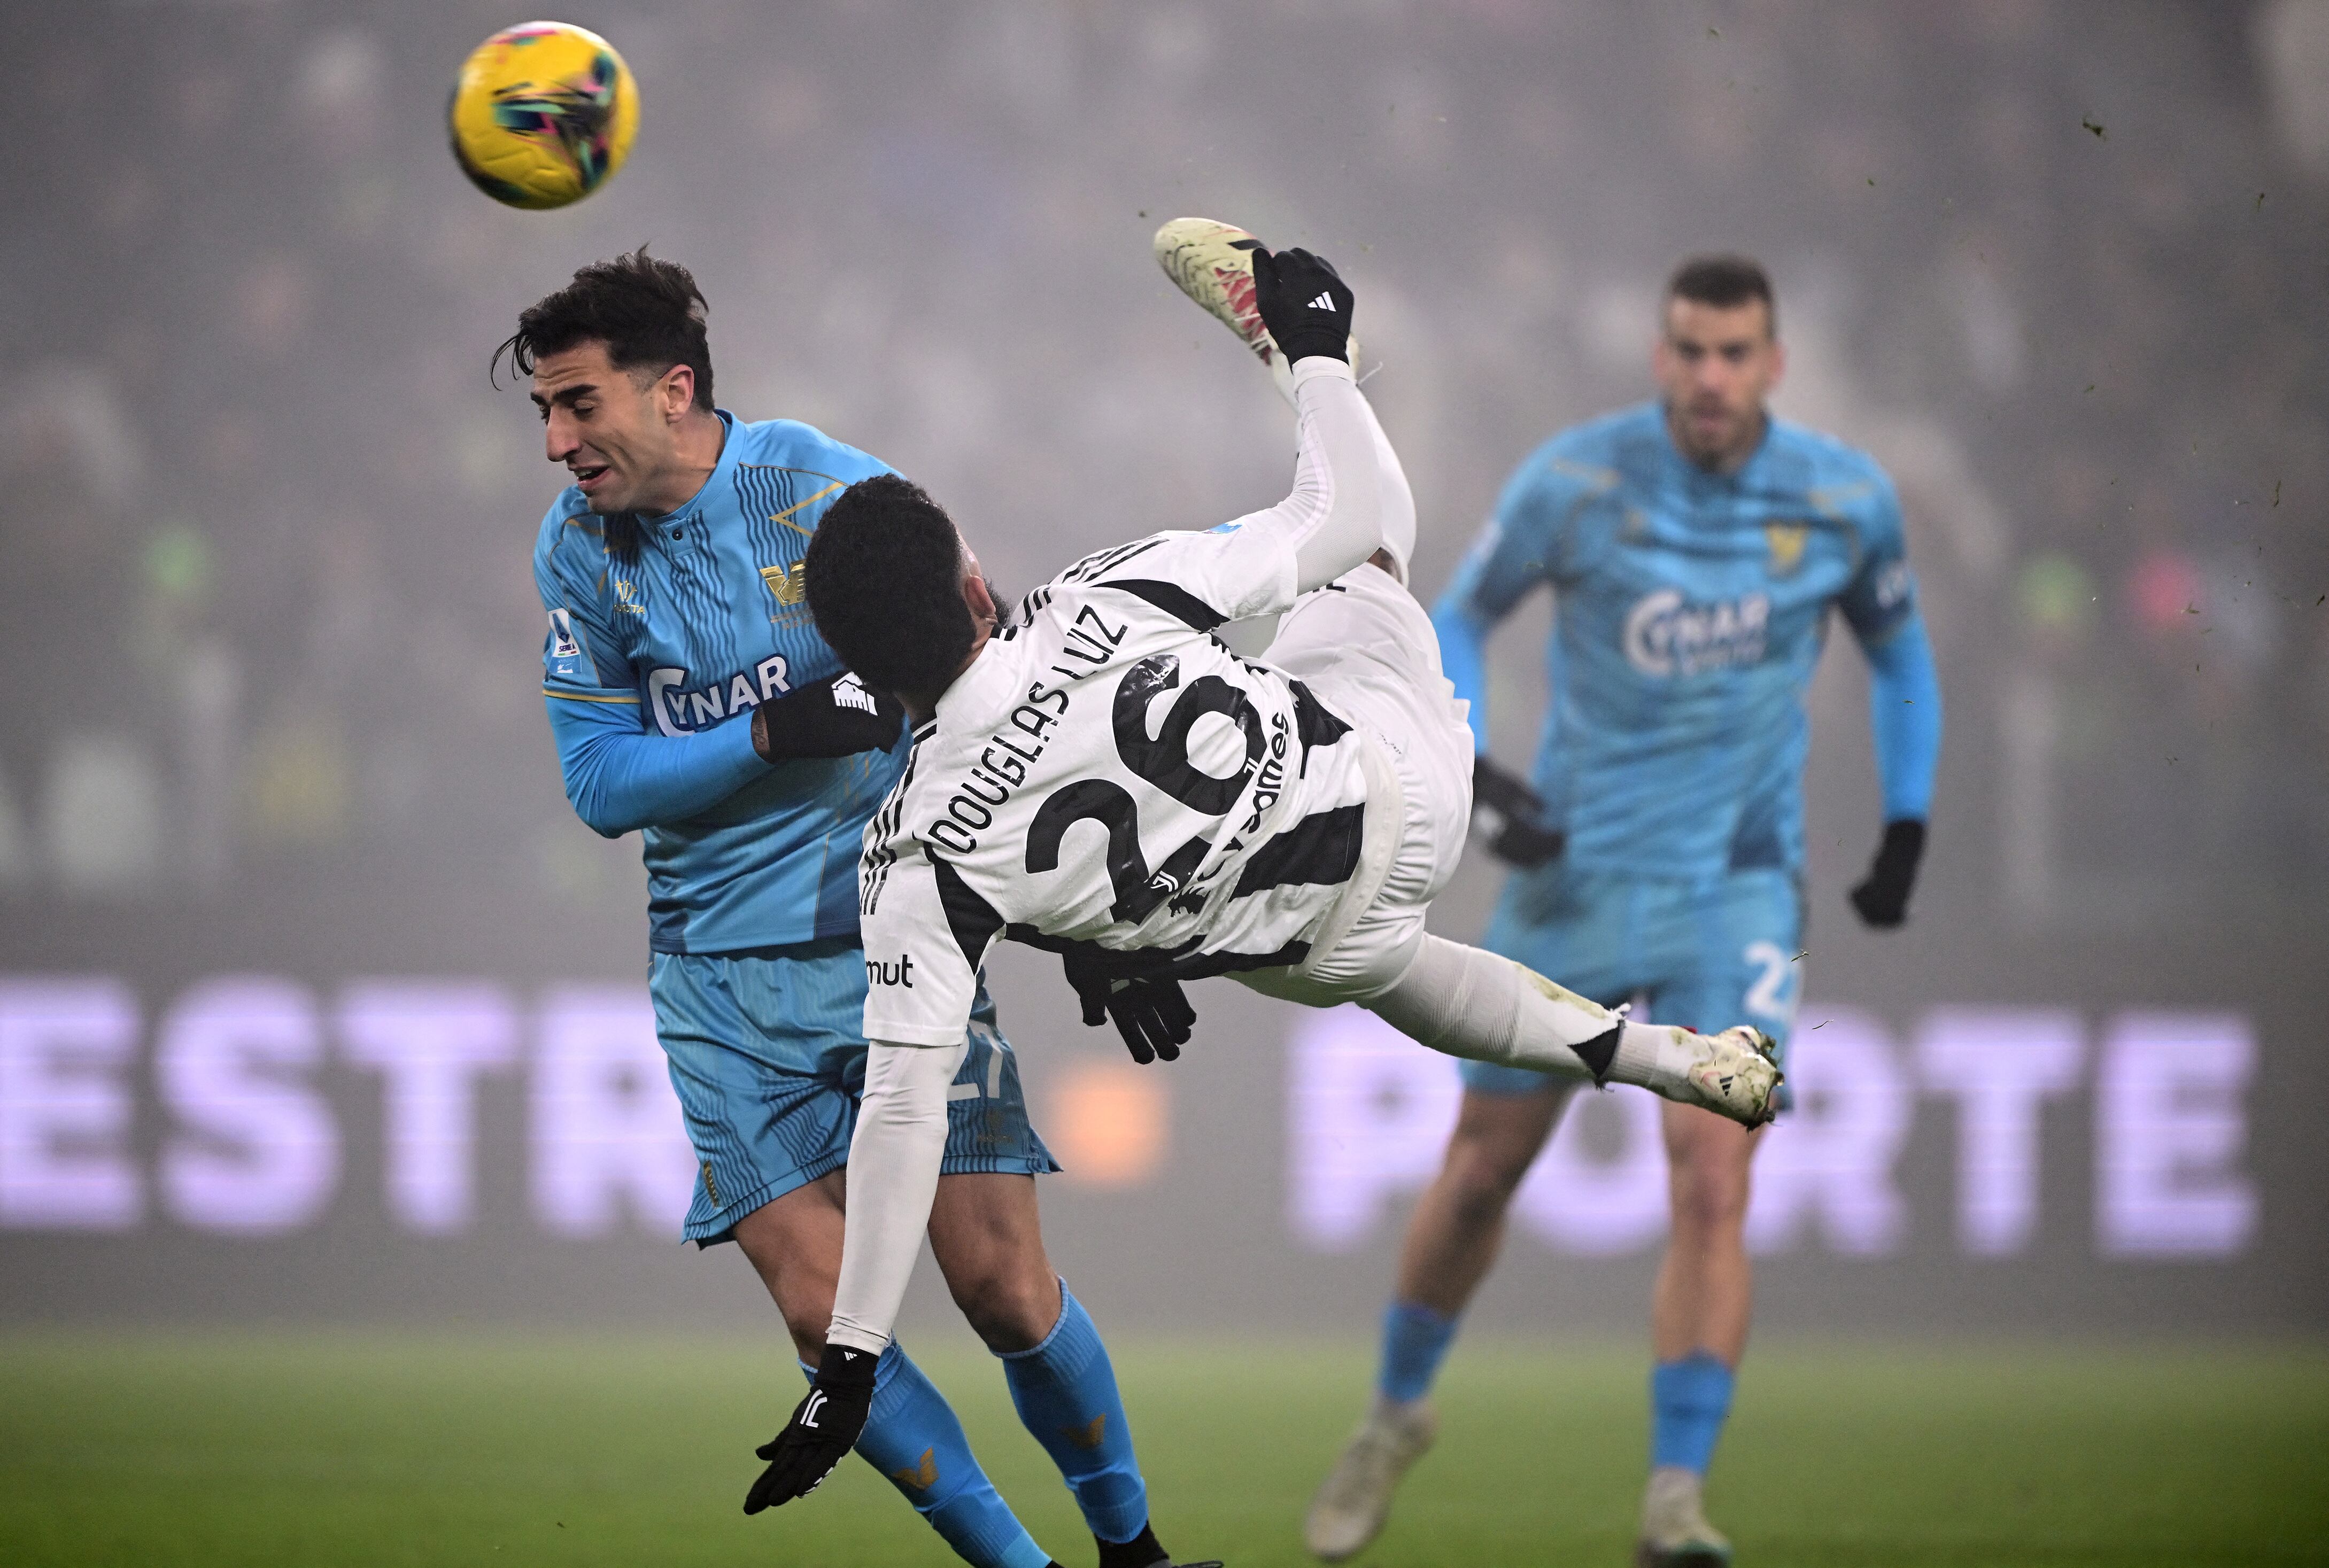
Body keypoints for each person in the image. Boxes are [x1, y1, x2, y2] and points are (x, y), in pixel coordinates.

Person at [739, 227, 1784, 1512]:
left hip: (1303, 953)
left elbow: (903, 1108)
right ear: (973, 582)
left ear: (860, 664)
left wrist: (851, 1355)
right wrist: (1321, 359)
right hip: (1403, 791)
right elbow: (1337, 516)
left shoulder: (911, 857)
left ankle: (1653, 1059)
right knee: (1368, 550)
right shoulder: (1092, 601)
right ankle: (1299, 348)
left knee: (1379, 964)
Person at [508, 248, 1213, 1568]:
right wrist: (774, 731)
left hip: (899, 942)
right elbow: (602, 786)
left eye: (578, 405)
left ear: (671, 392)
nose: (557, 443)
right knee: (828, 1316)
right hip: (718, 982)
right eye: (544, 412)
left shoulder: (818, 493)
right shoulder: (577, 555)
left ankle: (1135, 1552)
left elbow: (1000, 685)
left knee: (1003, 1289)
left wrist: (1077, 917)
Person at [1303, 255, 1945, 1567]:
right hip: (1575, 882)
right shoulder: (1578, 482)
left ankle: (1672, 1503)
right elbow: (1458, 619)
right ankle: (1391, 1414)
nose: (1709, 378)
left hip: (1736, 894)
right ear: (1661, 358)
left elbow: (1900, 661)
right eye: (1689, 352)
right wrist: (1481, 776)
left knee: (1713, 1180)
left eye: (1733, 354)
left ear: (1772, 364)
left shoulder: (1841, 498)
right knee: (1481, 1174)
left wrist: (1909, 817)